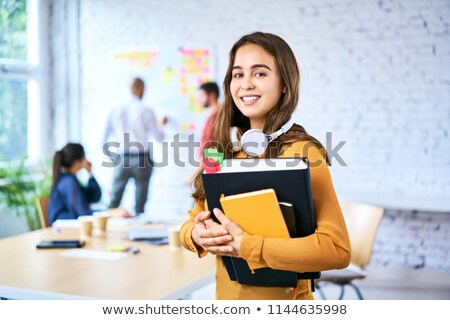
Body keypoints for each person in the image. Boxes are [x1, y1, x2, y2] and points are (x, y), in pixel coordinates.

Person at [180, 32, 351, 300]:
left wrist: (247, 246)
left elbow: (336, 250)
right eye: (238, 74)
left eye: (259, 73)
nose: (246, 84)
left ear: (285, 83)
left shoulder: (304, 152)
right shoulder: (223, 152)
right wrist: (197, 235)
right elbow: (190, 223)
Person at [103, 77, 167, 215]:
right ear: (142, 89)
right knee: (140, 205)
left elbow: (103, 142)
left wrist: (115, 160)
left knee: (113, 203)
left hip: (121, 158)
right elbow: (160, 138)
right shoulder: (146, 110)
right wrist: (160, 124)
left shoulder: (115, 110)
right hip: (141, 159)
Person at [48, 143, 131, 225]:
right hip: (64, 231)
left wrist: (90, 173)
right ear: (78, 162)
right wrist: (110, 213)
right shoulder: (68, 181)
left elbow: (95, 197)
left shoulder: (69, 179)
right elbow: (83, 212)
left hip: (70, 228)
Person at [198, 82, 220, 159]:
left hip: (212, 165)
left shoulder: (218, 116)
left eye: (202, 95)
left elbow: (213, 144)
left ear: (212, 96)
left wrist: (209, 164)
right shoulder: (212, 116)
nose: (199, 99)